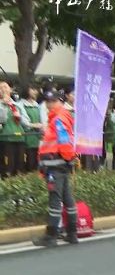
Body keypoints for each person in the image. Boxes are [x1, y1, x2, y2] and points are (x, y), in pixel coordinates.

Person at [33, 92, 79, 247]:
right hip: (60, 165)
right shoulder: (60, 117)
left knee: (55, 200)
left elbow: (64, 142)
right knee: (67, 199)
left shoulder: (58, 119)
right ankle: (72, 233)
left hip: (55, 166)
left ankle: (51, 236)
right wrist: (69, 160)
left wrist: (68, 158)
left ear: (58, 102)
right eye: (47, 101)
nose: (48, 105)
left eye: (51, 101)